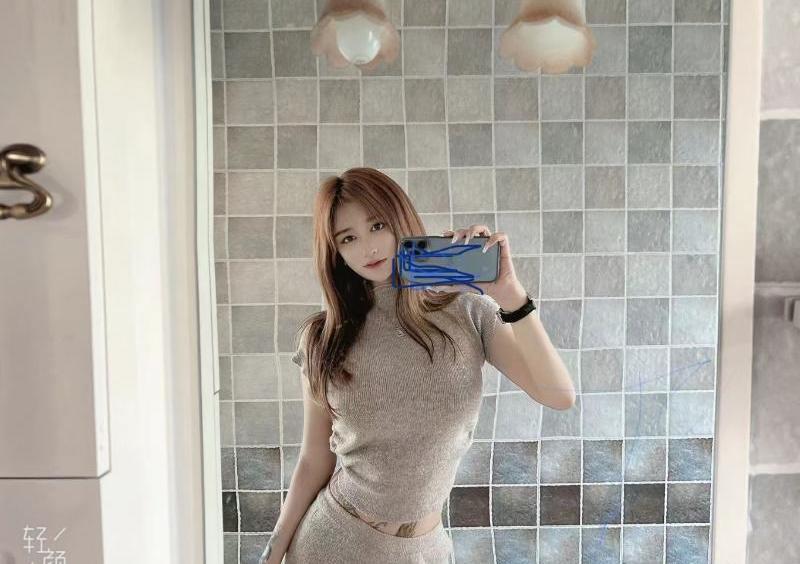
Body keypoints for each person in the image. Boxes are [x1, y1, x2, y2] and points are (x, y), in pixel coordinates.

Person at [260, 167, 575, 564]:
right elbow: (314, 459)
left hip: (425, 552)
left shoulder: (468, 312)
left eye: (377, 226)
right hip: (332, 543)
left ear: (400, 220)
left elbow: (559, 395)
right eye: (348, 238)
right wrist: (272, 553)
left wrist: (511, 297)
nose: (368, 248)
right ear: (335, 252)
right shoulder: (323, 338)